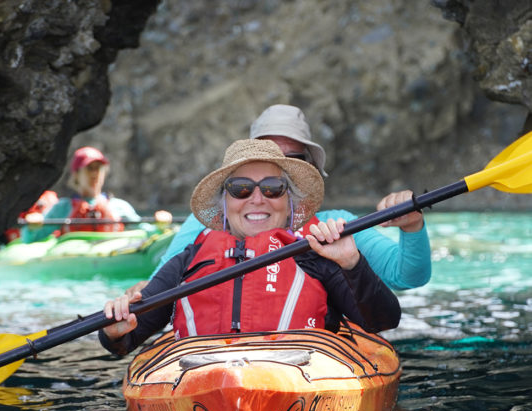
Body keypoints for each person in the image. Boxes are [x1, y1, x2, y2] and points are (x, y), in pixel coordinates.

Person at [99, 139, 401, 356]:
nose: (257, 199)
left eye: (272, 188)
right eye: (241, 189)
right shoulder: (187, 262)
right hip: (204, 384)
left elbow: (383, 321)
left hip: (294, 382)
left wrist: (352, 263)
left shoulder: (314, 256)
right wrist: (113, 330)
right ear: (225, 203)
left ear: (288, 203)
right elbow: (127, 339)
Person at [128, 104, 431, 296]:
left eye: (292, 159)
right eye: (266, 156)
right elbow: (158, 285)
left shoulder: (336, 226)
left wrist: (412, 226)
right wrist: (137, 299)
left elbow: (407, 276)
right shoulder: (205, 227)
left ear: (307, 169)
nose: (278, 168)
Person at [21, 146, 172, 243]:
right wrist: (32, 227)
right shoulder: (63, 207)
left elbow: (144, 230)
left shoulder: (119, 206)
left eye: (98, 168)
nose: (94, 174)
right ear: (76, 175)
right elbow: (29, 239)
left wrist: (161, 225)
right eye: (89, 168)